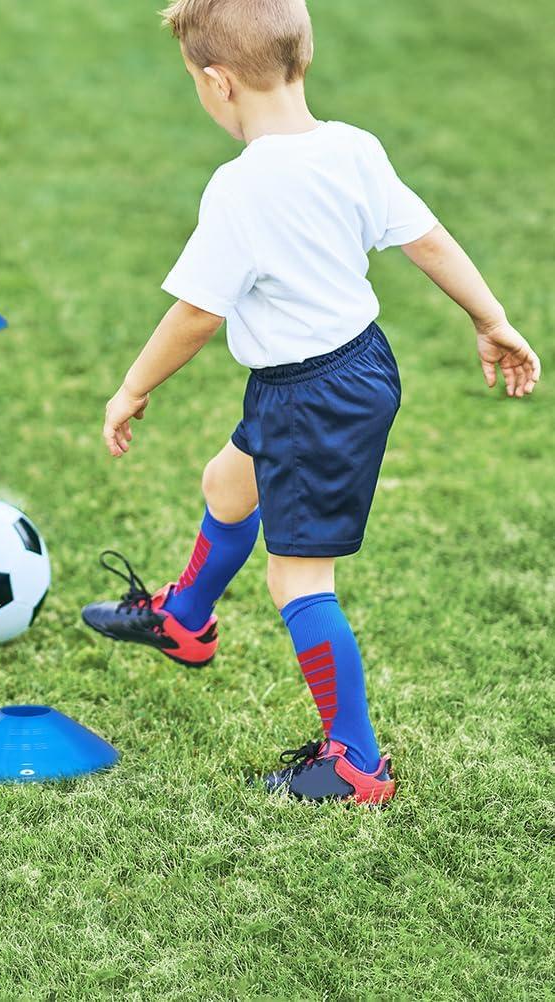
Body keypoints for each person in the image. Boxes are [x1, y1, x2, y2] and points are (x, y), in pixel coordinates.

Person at [81, 0, 541, 804]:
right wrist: (490, 316)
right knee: (227, 483)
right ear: (306, 53)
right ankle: (186, 618)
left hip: (311, 396)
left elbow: (197, 313)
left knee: (299, 580)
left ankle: (355, 761)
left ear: (217, 83)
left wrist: (132, 387)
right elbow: (425, 238)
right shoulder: (353, 148)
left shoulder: (240, 188)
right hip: (353, 367)